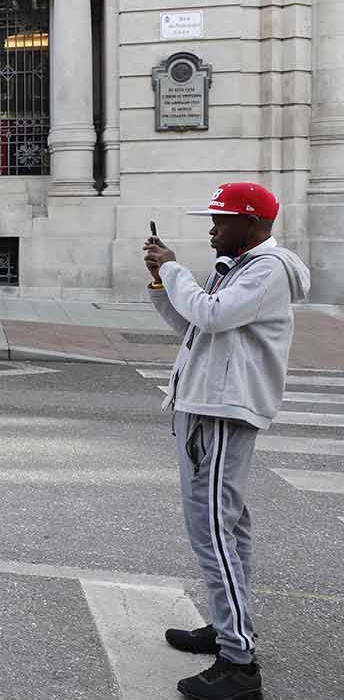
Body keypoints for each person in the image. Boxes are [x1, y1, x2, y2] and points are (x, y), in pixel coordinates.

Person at [143, 182, 310, 700]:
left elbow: (211, 315)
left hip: (221, 409)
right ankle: (226, 626)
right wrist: (159, 284)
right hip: (208, 405)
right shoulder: (238, 269)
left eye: (221, 220)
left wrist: (174, 269)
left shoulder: (266, 269)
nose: (211, 228)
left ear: (252, 223)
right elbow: (193, 327)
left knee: (213, 529)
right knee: (226, 526)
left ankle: (239, 663)